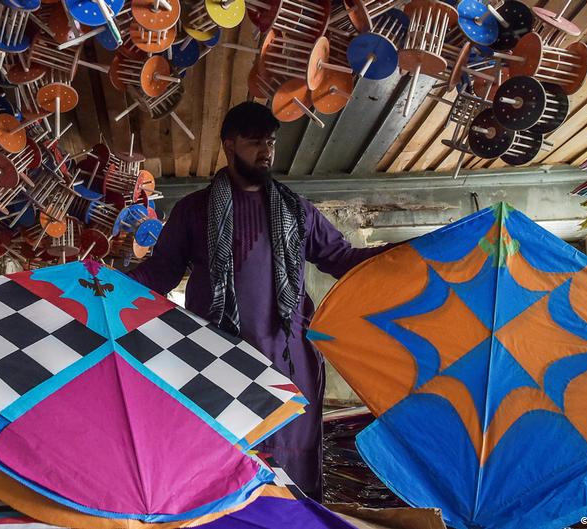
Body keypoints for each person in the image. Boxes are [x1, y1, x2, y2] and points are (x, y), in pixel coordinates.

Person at [128, 101, 395, 500]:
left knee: (291, 479)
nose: (266, 151)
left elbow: (344, 260)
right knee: (224, 470)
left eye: (270, 141)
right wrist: (102, 284)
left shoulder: (297, 211)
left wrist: (408, 254)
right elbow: (157, 276)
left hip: (289, 366)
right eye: (255, 142)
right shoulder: (194, 211)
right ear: (229, 145)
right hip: (218, 365)